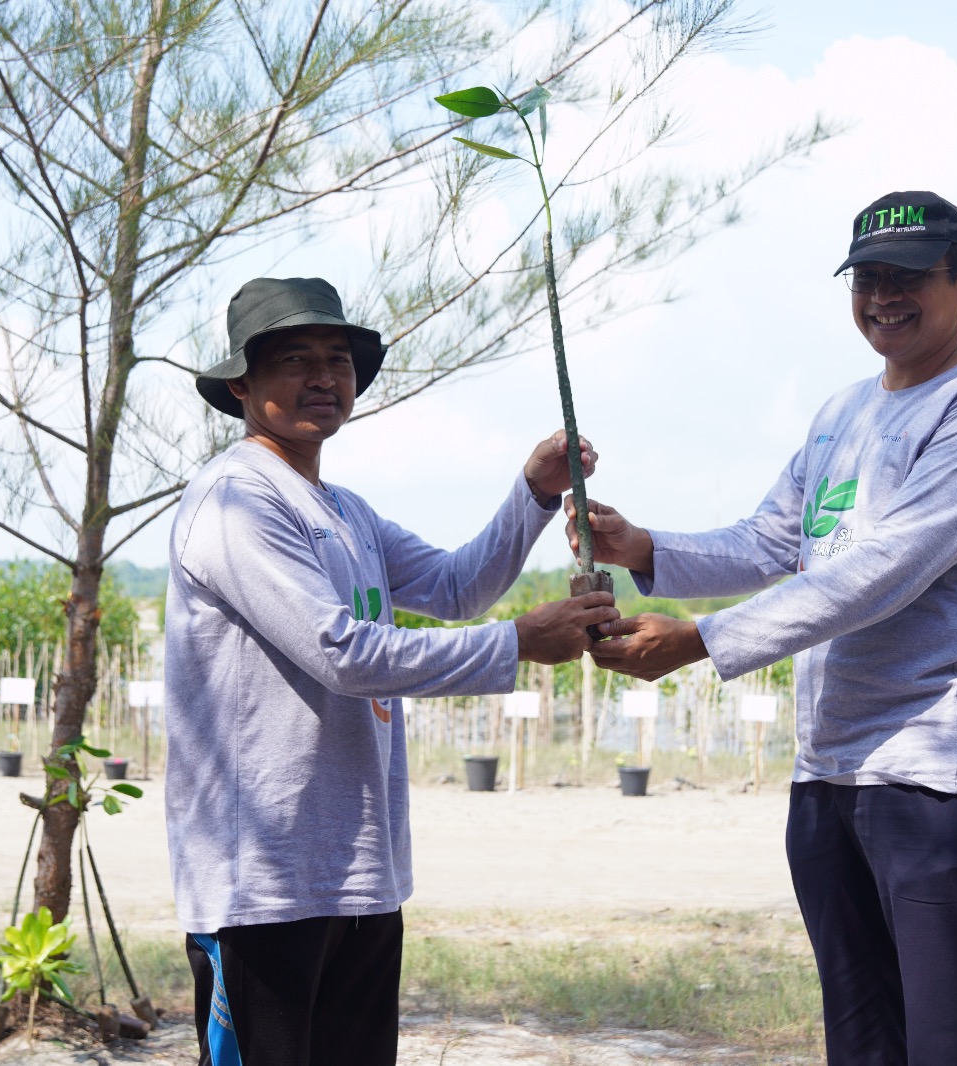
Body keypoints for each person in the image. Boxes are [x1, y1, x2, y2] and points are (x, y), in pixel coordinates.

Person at [571, 192, 957, 1066]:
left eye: (908, 279)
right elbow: (772, 543)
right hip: (831, 773)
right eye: (867, 279)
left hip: (940, 772)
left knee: (953, 1046)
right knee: (862, 1045)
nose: (883, 297)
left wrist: (701, 641)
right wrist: (643, 546)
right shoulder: (842, 415)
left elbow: (886, 569)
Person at [164, 276, 617, 1066]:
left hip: (359, 872)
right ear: (241, 383)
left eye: (338, 360)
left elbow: (454, 586)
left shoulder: (344, 511)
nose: (323, 378)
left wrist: (534, 495)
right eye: (295, 359)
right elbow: (344, 653)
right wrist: (516, 644)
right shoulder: (236, 503)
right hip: (264, 880)